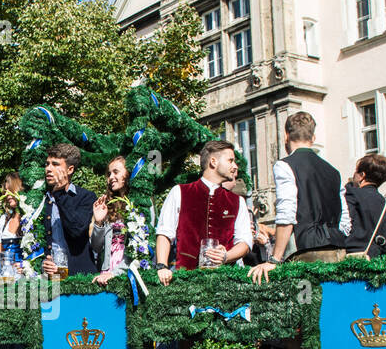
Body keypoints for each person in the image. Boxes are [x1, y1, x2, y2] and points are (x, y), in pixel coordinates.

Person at [249, 111, 351, 282]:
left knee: (306, 304)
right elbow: (345, 219)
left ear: (286, 136)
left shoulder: (285, 165)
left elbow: (287, 213)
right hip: (338, 249)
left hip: (305, 250)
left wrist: (274, 259)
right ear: (313, 137)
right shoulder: (333, 171)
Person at [156, 140, 252, 283]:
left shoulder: (237, 201)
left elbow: (245, 242)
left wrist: (226, 256)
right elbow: (165, 232)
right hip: (185, 281)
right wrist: (162, 266)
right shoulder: (179, 192)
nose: (235, 166)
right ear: (213, 161)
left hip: (225, 283)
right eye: (230, 160)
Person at [40, 144, 98, 277]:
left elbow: (76, 229)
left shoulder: (86, 197)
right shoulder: (41, 200)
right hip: (51, 278)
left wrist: (60, 194)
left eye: (55, 164)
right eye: (47, 164)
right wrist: (43, 263)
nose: (48, 169)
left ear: (70, 169)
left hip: (79, 278)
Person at [343, 154, 386, 256]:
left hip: (348, 260)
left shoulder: (349, 196)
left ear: (362, 175)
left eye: (356, 172)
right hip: (377, 264)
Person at [91, 156, 136, 285]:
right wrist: (98, 222)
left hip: (128, 271)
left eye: (116, 172)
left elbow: (141, 248)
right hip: (106, 271)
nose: (111, 177)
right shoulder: (107, 206)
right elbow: (96, 247)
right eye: (109, 173)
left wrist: (117, 272)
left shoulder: (139, 203)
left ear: (128, 174)